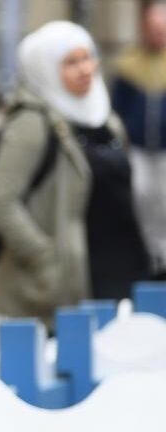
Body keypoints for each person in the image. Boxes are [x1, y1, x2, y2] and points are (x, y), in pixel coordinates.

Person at [0, 20, 152, 325]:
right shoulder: (32, 123)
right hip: (67, 284)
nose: (85, 69)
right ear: (45, 68)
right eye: (70, 62)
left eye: (88, 57)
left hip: (120, 269)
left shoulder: (105, 119)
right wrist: (45, 257)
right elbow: (0, 201)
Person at [111, 1, 166, 279]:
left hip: (165, 149)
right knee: (141, 195)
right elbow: (117, 108)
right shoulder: (129, 64)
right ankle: (149, 253)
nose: (158, 35)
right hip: (138, 147)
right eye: (154, 29)